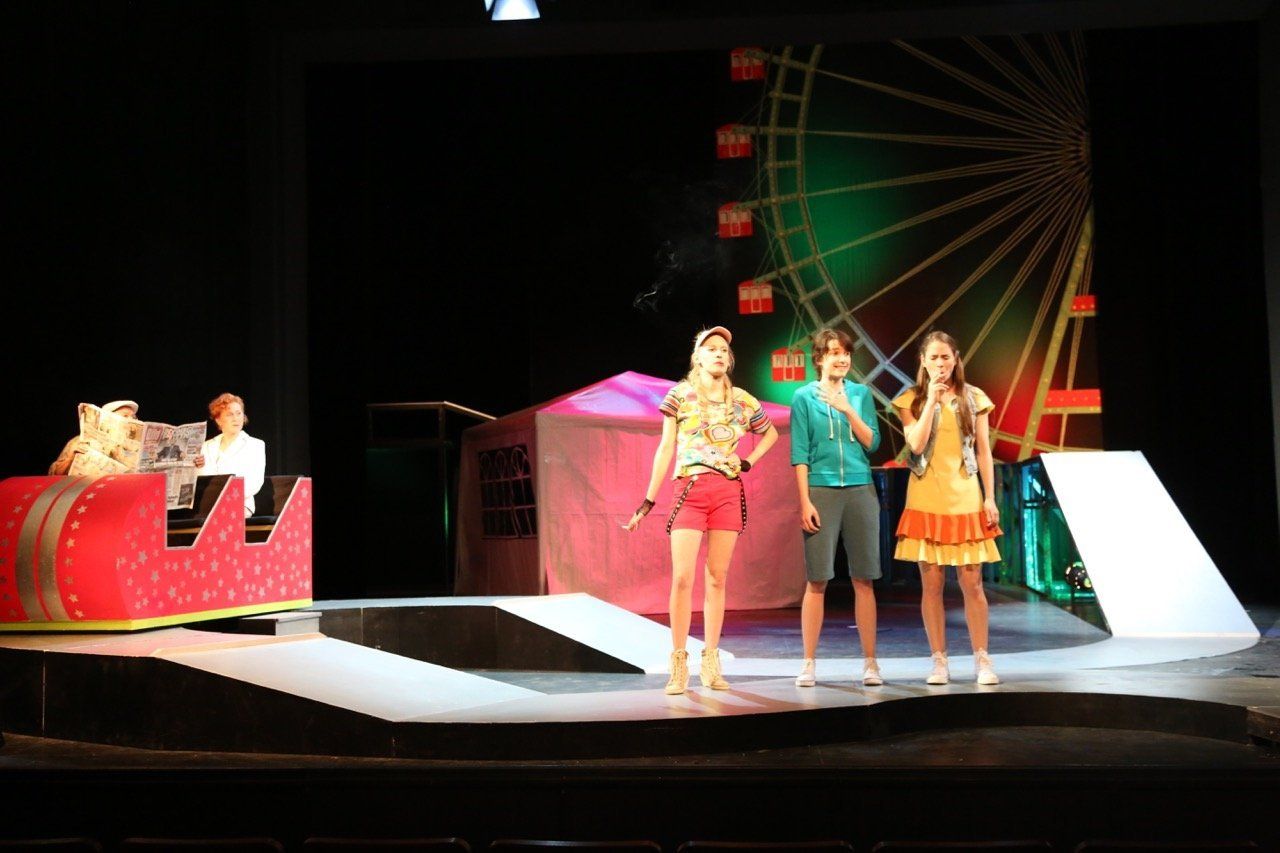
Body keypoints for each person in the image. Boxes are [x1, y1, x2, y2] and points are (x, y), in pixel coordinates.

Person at [625, 326, 779, 694]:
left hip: (726, 491)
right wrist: (647, 501)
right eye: (711, 349)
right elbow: (666, 448)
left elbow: (770, 433)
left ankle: (711, 660)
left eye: (723, 349)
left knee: (717, 578)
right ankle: (679, 662)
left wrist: (748, 461)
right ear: (698, 357)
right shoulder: (680, 395)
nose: (718, 354)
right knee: (682, 578)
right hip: (690, 489)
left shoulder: (741, 400)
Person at [892, 330, 1002, 685]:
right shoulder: (910, 399)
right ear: (923, 362)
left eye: (945, 357)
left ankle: (982, 658)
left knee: (972, 583)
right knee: (932, 584)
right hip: (926, 495)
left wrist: (989, 497)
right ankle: (939, 660)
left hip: (966, 495)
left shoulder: (975, 398)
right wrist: (931, 402)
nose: (940, 363)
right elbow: (915, 444)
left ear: (956, 359)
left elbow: (983, 451)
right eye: (933, 358)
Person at [790, 329, 882, 687]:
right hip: (821, 490)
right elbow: (800, 452)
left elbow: (872, 442)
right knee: (817, 579)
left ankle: (871, 663)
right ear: (820, 358)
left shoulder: (860, 394)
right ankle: (808, 663)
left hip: (860, 489)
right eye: (834, 353)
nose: (842, 359)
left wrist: (847, 409)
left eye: (846, 353)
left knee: (864, 578)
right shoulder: (803, 397)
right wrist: (804, 501)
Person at [194, 392, 266, 519]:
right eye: (230, 414)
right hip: (209, 504)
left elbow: (255, 482)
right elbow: (203, 481)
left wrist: (228, 496)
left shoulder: (255, 445)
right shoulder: (207, 446)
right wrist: (198, 467)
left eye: (239, 413)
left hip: (240, 503)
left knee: (222, 516)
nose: (235, 418)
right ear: (218, 420)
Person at [48, 399, 139, 475]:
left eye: (133, 417)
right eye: (125, 416)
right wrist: (71, 459)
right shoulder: (80, 441)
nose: (131, 419)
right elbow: (53, 474)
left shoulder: (136, 448)